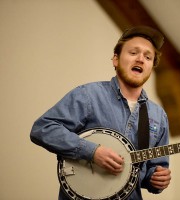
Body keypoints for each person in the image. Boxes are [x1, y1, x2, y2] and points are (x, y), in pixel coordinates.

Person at [30, 26, 171, 200]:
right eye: (134, 53)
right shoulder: (88, 95)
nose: (141, 59)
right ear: (116, 60)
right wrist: (91, 151)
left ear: (151, 67)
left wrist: (156, 179)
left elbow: (152, 170)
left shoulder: (158, 116)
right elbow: (42, 129)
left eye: (148, 57)